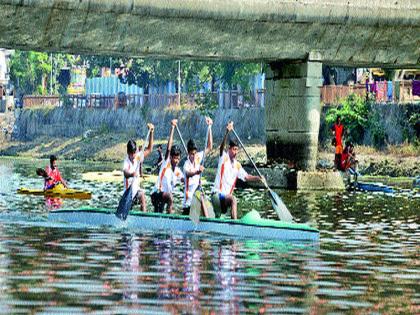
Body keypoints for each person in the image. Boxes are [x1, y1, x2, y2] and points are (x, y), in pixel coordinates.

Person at [211, 121, 264, 220]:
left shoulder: (237, 165)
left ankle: (229, 222)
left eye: (237, 149)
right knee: (233, 199)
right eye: (233, 149)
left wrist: (258, 178)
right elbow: (221, 148)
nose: (235, 152)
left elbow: (247, 177)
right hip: (217, 196)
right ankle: (234, 223)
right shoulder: (224, 158)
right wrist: (227, 132)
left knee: (230, 202)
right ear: (229, 149)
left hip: (225, 199)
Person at [151, 119, 184, 214]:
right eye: (174, 158)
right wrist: (172, 128)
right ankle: (170, 218)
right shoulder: (166, 163)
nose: (176, 161)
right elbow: (169, 148)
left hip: (163, 196)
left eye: (178, 158)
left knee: (158, 214)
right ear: (170, 157)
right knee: (170, 197)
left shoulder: (178, 171)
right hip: (156, 193)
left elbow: (184, 180)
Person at [182, 117, 213, 215]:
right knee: (201, 196)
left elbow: (209, 146)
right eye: (191, 154)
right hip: (188, 202)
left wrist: (209, 127)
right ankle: (207, 220)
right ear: (188, 153)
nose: (193, 156)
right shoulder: (186, 165)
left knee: (203, 198)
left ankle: (208, 220)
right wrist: (197, 172)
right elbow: (188, 174)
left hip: (197, 196)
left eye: (194, 153)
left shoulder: (198, 157)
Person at [123, 123, 155, 212]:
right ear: (128, 152)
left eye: (134, 153)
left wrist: (152, 132)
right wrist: (132, 174)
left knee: (142, 196)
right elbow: (125, 173)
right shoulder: (126, 162)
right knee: (127, 212)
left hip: (136, 192)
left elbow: (149, 149)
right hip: (128, 193)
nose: (133, 155)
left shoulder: (137, 156)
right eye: (131, 153)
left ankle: (144, 216)